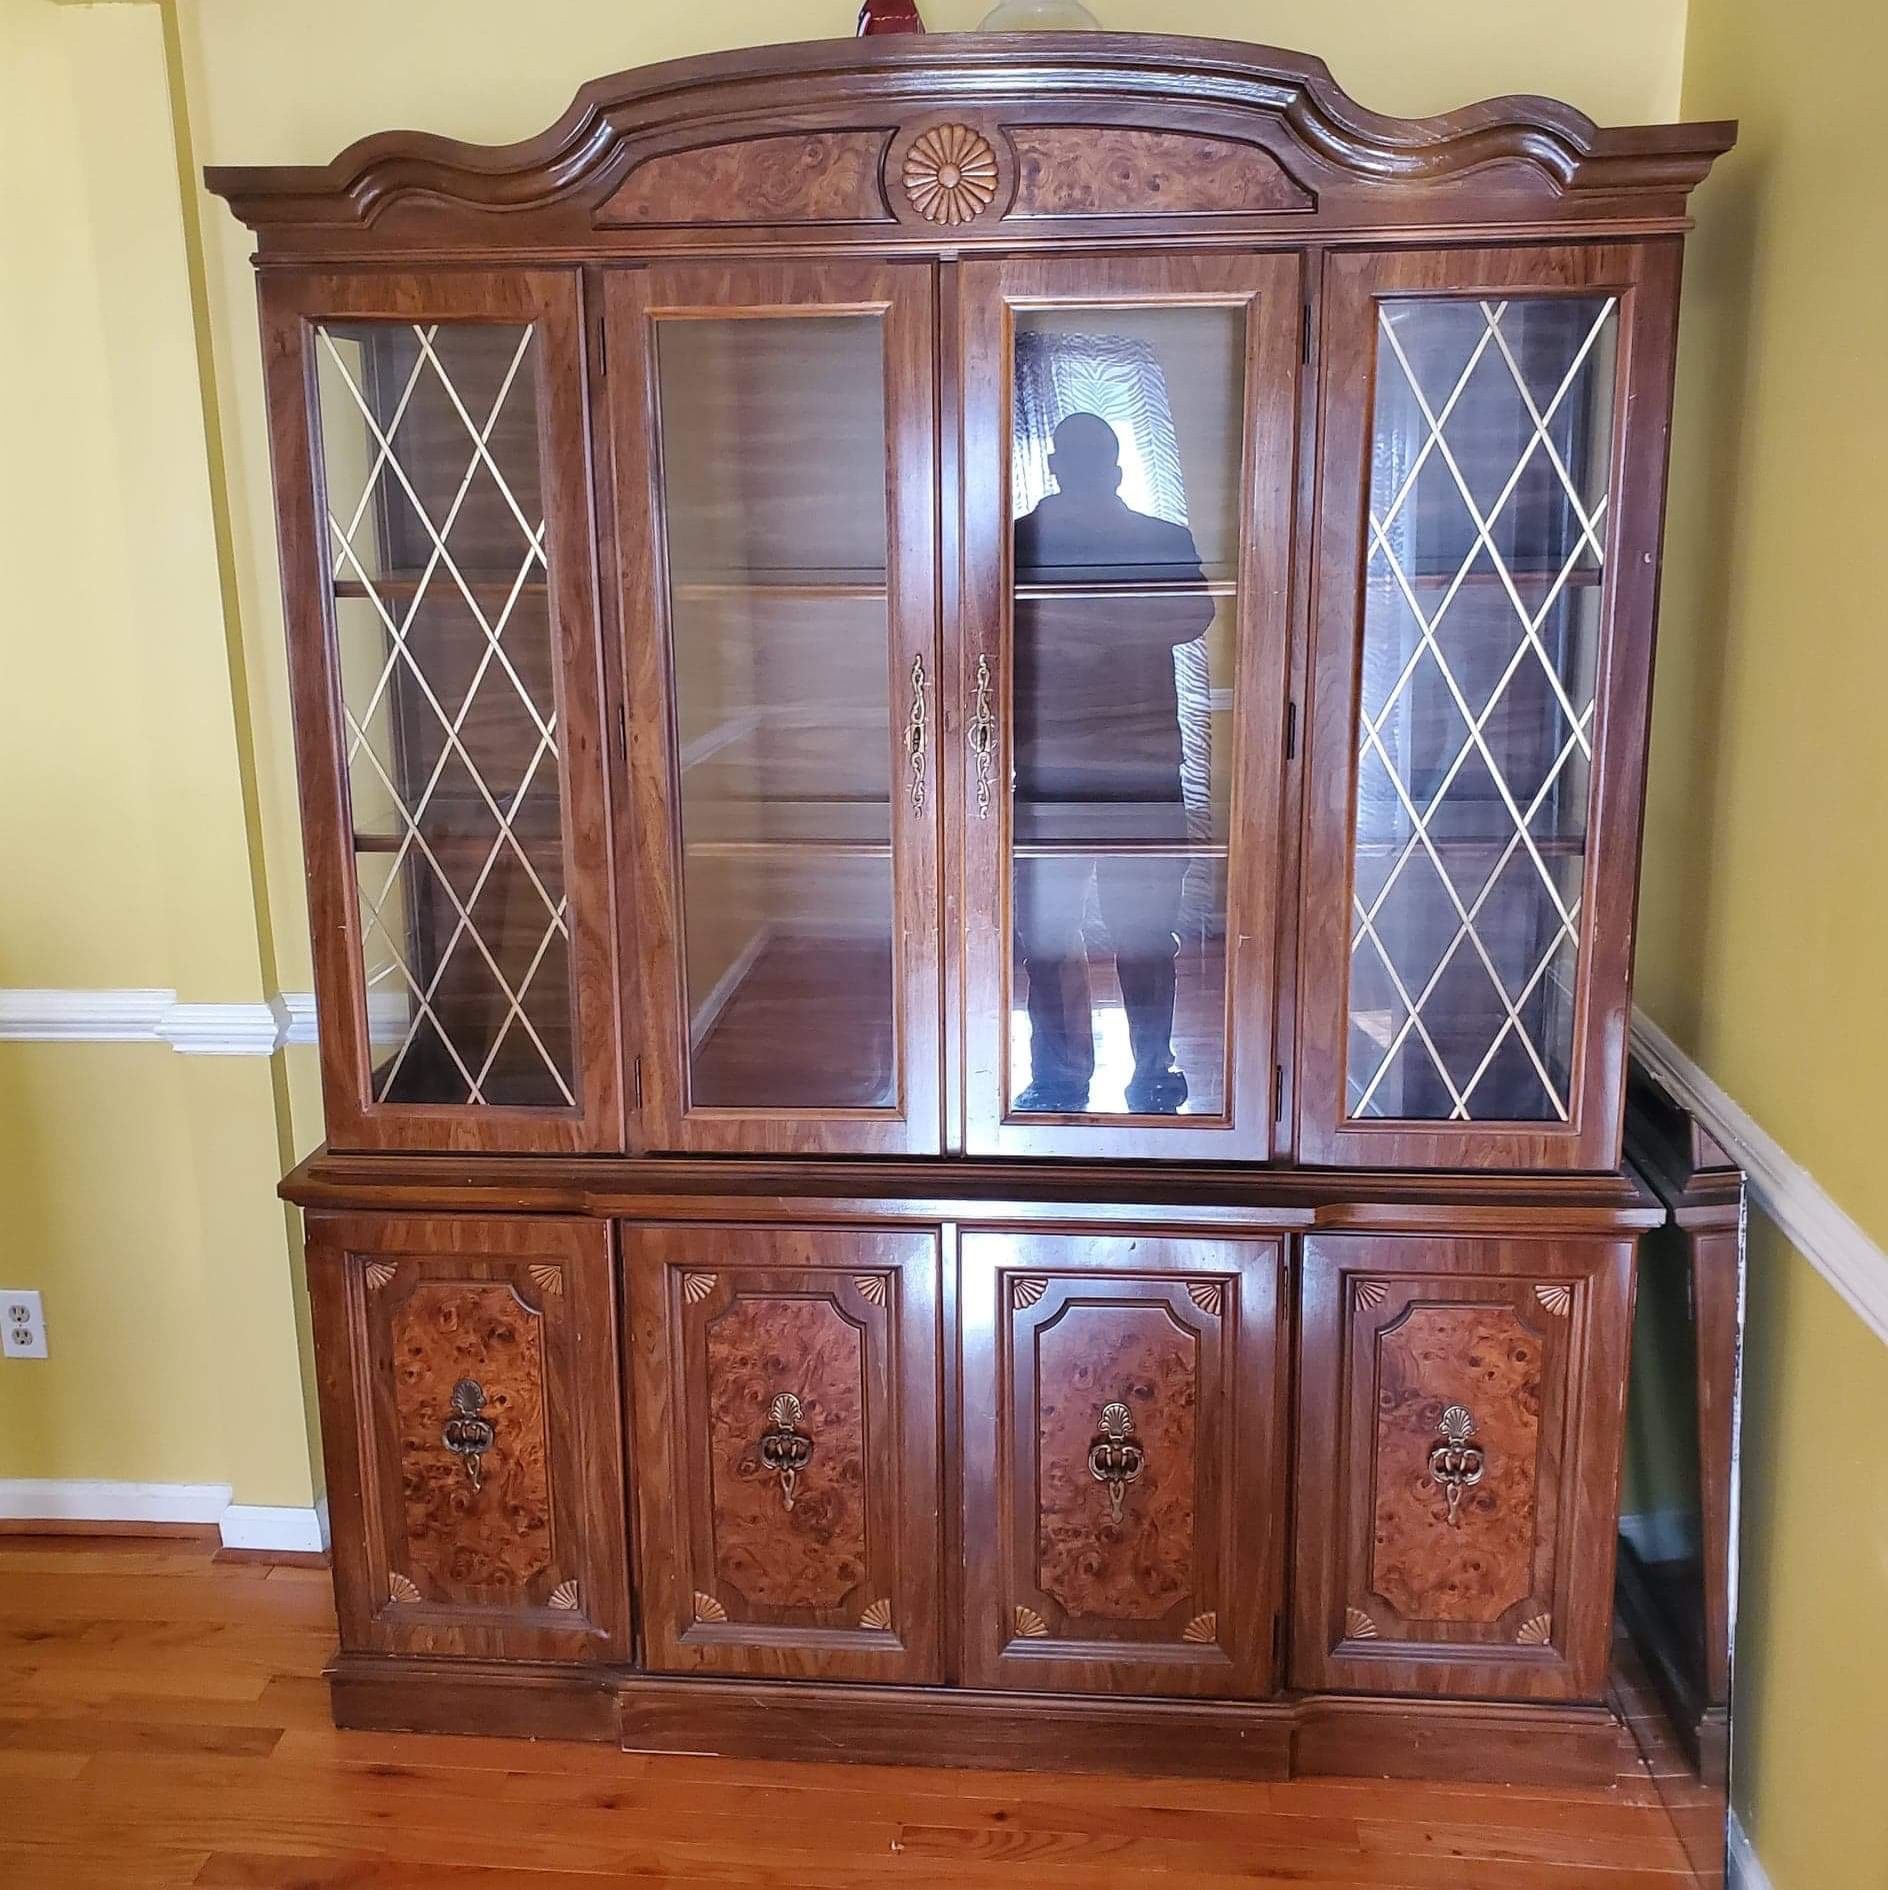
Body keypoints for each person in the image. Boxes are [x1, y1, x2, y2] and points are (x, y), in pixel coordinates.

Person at [1011, 411, 1212, 1115]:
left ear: (1116, 470)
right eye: (1079, 460)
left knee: (1146, 937)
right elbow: (982, 625)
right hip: (1049, 776)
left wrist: (1080, 626)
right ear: (1059, 468)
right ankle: (1064, 1078)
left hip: (1138, 774)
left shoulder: (1160, 538)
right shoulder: (1016, 541)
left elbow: (1194, 615)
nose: (1089, 472)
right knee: (1048, 941)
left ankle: (1149, 1071)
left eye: (1097, 460)